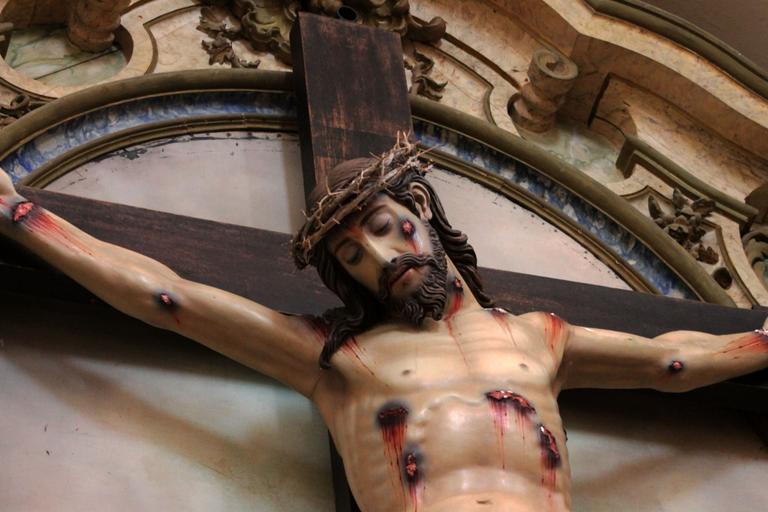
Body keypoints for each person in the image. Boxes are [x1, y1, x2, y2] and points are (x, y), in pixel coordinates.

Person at [1, 138, 766, 512]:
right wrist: (23, 215)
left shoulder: (539, 338)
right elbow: (168, 299)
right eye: (351, 255)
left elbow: (673, 362)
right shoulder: (339, 359)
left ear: (419, 209)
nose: (377, 257)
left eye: (380, 227)